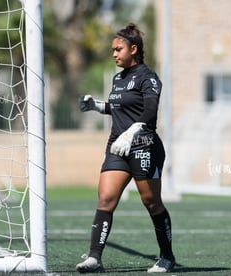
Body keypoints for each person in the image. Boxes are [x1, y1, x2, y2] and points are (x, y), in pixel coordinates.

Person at [75, 23, 175, 273]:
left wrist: (132, 133)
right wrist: (96, 105)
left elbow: (149, 111)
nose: (114, 54)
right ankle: (95, 258)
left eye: (118, 49)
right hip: (117, 146)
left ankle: (166, 257)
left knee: (151, 203)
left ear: (133, 49)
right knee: (106, 199)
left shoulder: (148, 77)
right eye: (112, 50)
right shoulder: (118, 78)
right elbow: (119, 107)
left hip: (143, 145)